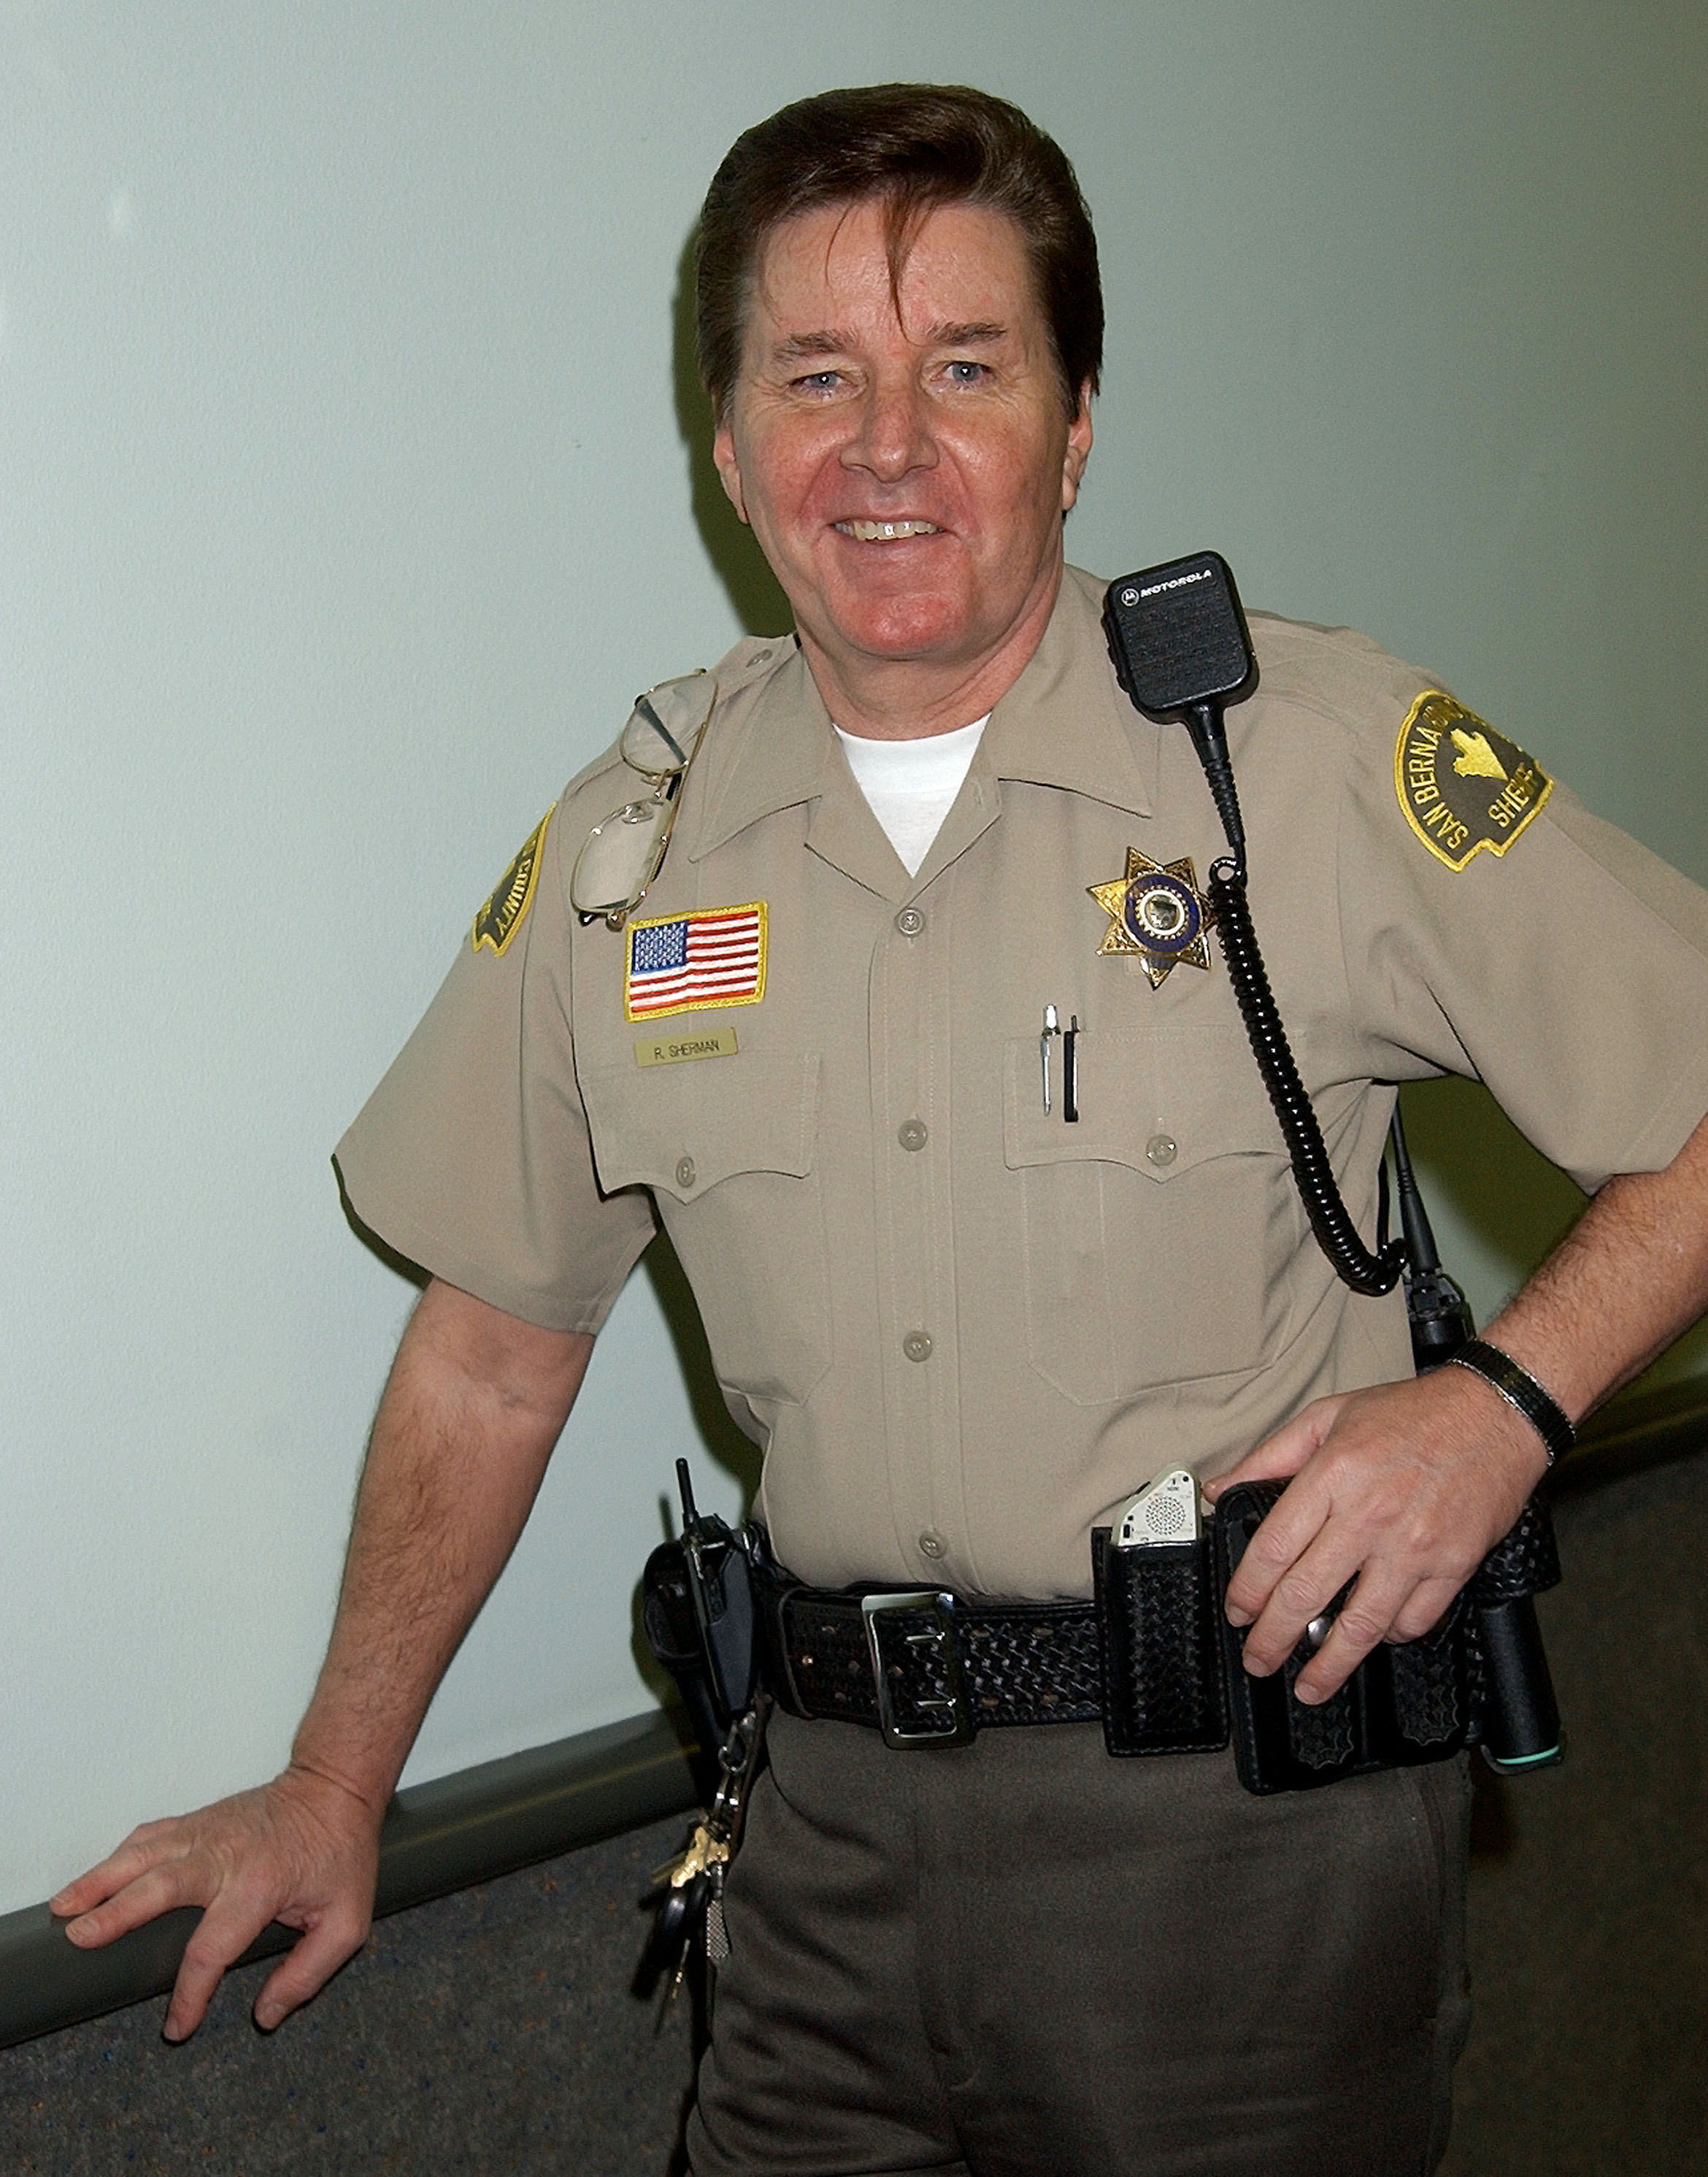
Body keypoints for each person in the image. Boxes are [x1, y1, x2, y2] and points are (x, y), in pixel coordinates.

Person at [53, 83, 1708, 2177]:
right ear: (730, 449)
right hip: (818, 1844)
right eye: (815, 376)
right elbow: (490, 1348)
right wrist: (331, 1780)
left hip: (1233, 1848)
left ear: (1076, 421)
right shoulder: (627, 851)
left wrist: (1494, 1408)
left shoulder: (1296, 761)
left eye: (965, 369)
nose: (889, 448)